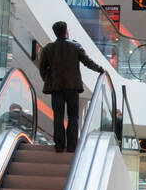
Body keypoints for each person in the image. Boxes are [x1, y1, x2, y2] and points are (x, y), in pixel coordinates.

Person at [38, 20, 105, 154]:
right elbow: (88, 62)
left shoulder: (48, 49)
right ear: (66, 31)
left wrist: (47, 79)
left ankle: (59, 146)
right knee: (73, 117)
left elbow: (42, 68)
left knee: (58, 116)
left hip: (56, 87)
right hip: (72, 87)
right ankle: (72, 146)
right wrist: (100, 69)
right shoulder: (75, 46)